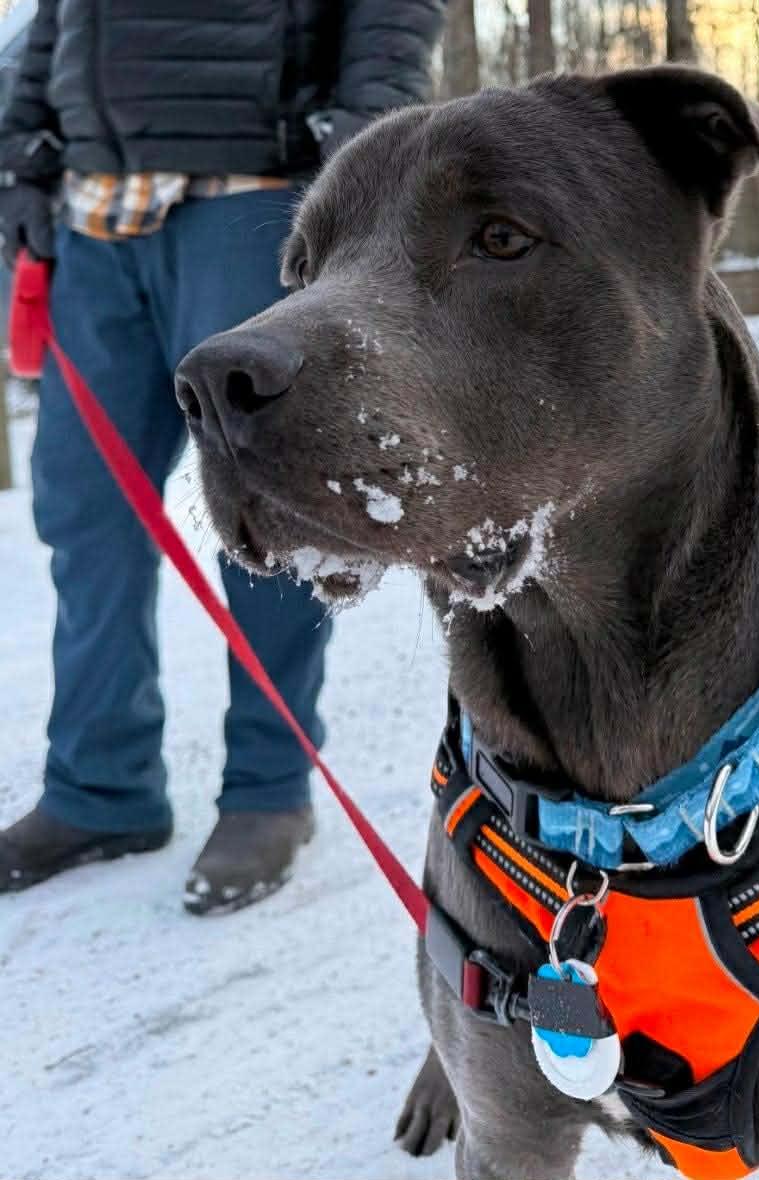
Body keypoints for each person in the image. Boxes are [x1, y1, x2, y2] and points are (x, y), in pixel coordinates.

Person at [0, 0, 444, 913]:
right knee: (85, 514)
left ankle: (267, 789)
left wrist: (361, 148)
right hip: (93, 217)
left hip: (249, 199)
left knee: (268, 502)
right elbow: (54, 22)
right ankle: (99, 790)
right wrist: (16, 152)